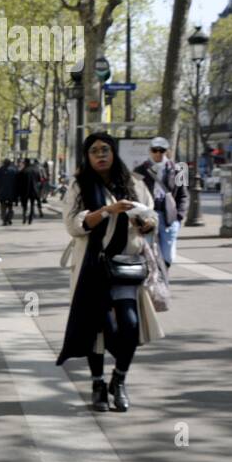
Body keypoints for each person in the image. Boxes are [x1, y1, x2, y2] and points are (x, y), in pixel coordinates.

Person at [57, 132, 162, 412]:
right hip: (93, 266)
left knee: (129, 325)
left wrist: (146, 224)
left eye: (105, 149)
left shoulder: (135, 184)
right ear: (87, 156)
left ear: (114, 153)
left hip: (126, 266)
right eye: (94, 151)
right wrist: (106, 211)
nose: (101, 155)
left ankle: (119, 379)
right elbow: (72, 225)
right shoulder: (79, 186)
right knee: (97, 327)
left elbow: (151, 216)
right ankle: (97, 383)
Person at [133, 136, 189, 269]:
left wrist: (179, 217)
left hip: (168, 217)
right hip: (147, 215)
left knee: (167, 255)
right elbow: (133, 194)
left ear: (167, 151)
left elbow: (184, 195)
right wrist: (137, 217)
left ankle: (163, 276)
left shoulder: (179, 170)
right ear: (150, 151)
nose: (158, 153)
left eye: (161, 150)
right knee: (147, 252)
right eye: (155, 150)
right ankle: (152, 279)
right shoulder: (139, 170)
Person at [0, 158, 18, 225]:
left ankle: (4, 219)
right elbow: (17, 182)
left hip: (1, 192)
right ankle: (9, 217)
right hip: (11, 192)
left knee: (3, 207)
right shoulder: (14, 171)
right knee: (10, 206)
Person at [19, 157, 44, 223]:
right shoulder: (35, 170)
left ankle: (24, 216)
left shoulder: (23, 171)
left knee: (24, 204)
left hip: (24, 190)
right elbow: (39, 179)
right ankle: (31, 217)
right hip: (34, 190)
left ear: (25, 163)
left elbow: (19, 182)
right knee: (32, 204)